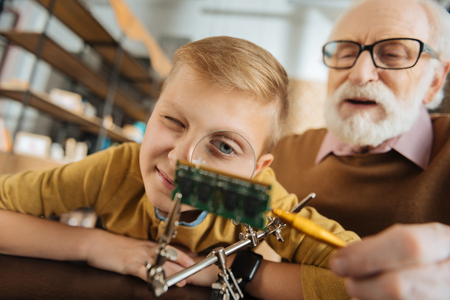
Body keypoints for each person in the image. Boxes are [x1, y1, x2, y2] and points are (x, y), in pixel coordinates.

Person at [0, 36, 359, 299]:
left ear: (255, 170)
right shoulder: (115, 170)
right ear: (151, 112)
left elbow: (365, 281)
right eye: (173, 120)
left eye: (223, 146)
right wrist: (95, 246)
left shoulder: (252, 201)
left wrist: (230, 270)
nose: (180, 159)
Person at [270, 0, 450, 298]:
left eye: (392, 54)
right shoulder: (281, 156)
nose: (359, 73)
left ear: (435, 80)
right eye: (346, 52)